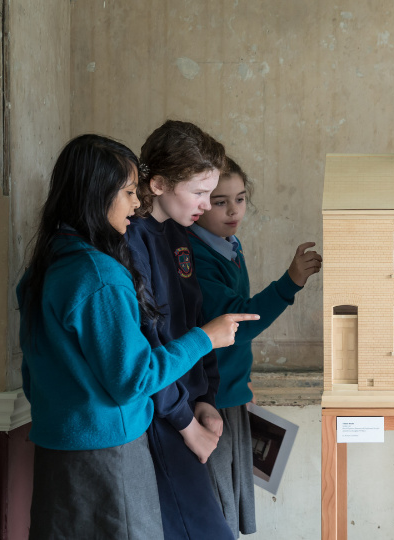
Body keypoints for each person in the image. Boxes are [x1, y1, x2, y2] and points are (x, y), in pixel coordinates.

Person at [17, 134, 257, 539]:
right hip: (110, 444)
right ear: (96, 195)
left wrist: (202, 396)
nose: (136, 202)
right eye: (129, 192)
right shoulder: (99, 272)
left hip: (62, 443)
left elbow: (34, 374)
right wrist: (205, 339)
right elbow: (135, 378)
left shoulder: (47, 262)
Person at [188, 157, 322, 537]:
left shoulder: (230, 245)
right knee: (215, 509)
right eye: (220, 201)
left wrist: (242, 384)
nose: (233, 211)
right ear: (199, 204)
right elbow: (236, 324)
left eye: (241, 199)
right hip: (207, 400)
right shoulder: (194, 255)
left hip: (230, 394)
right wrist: (289, 283)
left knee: (228, 501)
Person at [124, 120, 241, 539]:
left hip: (188, 409)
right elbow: (144, 350)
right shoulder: (130, 239)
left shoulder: (179, 234)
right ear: (156, 183)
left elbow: (194, 321)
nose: (207, 205)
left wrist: (205, 398)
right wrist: (185, 422)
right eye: (199, 193)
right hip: (159, 417)